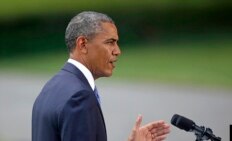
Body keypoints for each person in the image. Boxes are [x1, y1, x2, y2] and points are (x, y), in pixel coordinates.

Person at [32, 11, 170, 141]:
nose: (117, 51)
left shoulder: (51, 87)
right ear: (83, 44)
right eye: (110, 42)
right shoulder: (79, 97)